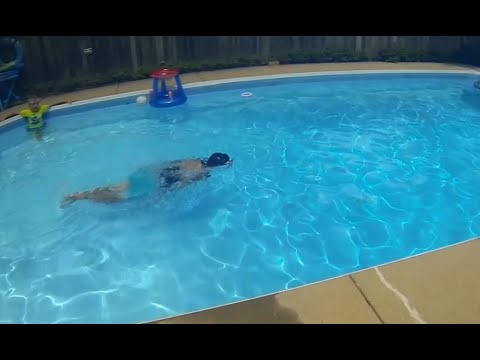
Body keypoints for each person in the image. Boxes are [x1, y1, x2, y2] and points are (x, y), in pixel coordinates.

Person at [60, 152, 233, 208]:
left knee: (117, 188)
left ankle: (78, 195)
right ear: (217, 167)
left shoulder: (197, 160)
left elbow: (170, 165)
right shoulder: (201, 174)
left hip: (149, 172)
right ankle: (79, 198)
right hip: (154, 181)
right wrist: (159, 199)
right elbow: (178, 185)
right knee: (119, 199)